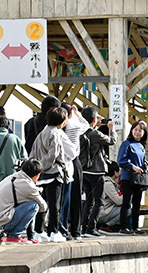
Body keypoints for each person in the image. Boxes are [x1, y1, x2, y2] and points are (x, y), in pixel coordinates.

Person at [29, 107, 76, 243]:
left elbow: (33, 154)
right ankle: (53, 232)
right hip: (54, 173)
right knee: (55, 205)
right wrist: (44, 166)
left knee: (42, 204)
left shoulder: (41, 133)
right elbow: (53, 155)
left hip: (41, 177)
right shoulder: (56, 133)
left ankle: (38, 231)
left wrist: (38, 168)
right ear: (60, 120)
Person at [0, 158, 47, 244]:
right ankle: (14, 236)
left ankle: (0, 237)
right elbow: (43, 207)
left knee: (12, 204)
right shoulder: (27, 185)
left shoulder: (11, 177)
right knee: (34, 205)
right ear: (37, 175)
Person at [81, 106, 116, 238]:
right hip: (96, 170)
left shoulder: (80, 131)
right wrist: (111, 130)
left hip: (84, 170)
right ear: (95, 119)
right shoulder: (95, 134)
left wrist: (95, 123)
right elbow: (111, 141)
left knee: (89, 200)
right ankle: (91, 228)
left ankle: (84, 228)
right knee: (99, 201)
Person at [61, 102, 89, 239]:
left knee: (63, 198)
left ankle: (62, 228)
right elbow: (86, 125)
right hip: (74, 162)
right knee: (76, 197)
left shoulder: (57, 128)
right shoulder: (74, 125)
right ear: (70, 112)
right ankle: (76, 231)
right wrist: (78, 114)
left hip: (60, 163)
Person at [117, 121, 148, 235]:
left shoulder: (141, 146)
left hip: (139, 178)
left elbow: (143, 160)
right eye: (135, 130)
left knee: (137, 202)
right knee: (127, 202)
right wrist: (132, 167)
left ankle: (135, 227)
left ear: (144, 133)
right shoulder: (127, 144)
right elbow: (121, 161)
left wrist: (145, 165)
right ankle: (123, 226)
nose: (137, 132)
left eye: (140, 130)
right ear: (131, 131)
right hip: (128, 177)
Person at [98, 161, 123, 229]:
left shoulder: (104, 181)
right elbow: (119, 201)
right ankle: (107, 226)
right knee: (128, 209)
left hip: (101, 212)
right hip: (103, 213)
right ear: (115, 172)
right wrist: (127, 194)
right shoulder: (108, 184)